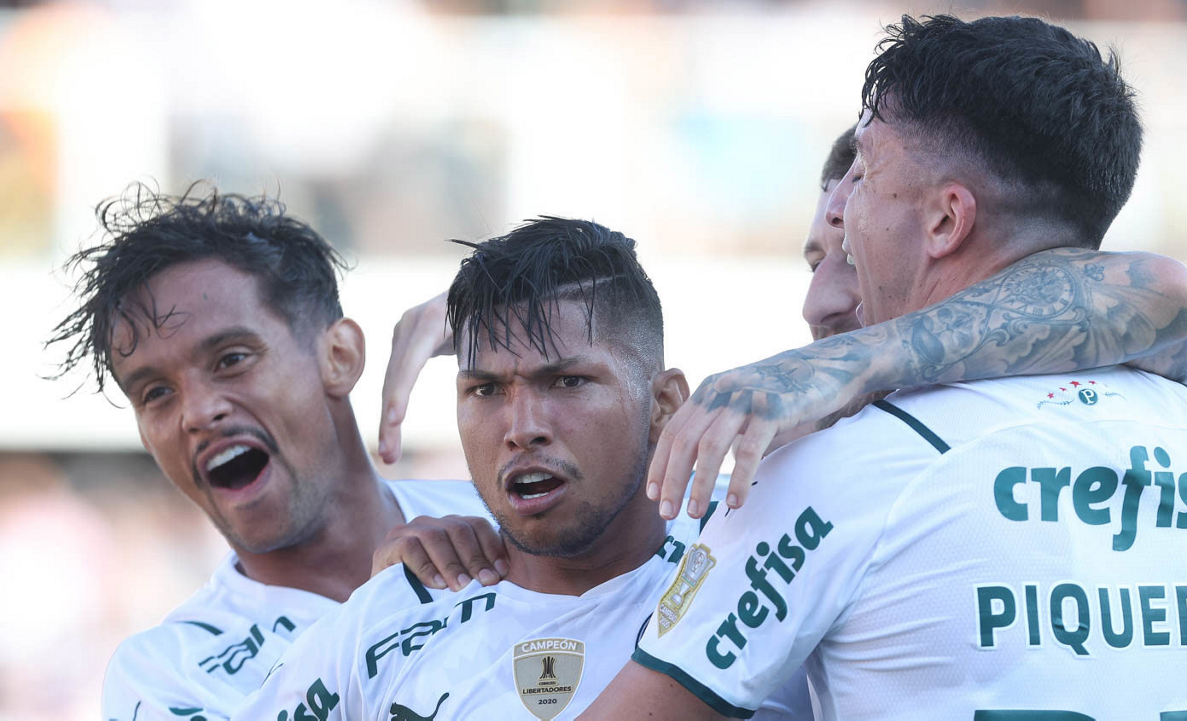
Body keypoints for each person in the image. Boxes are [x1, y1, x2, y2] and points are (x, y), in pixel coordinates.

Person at [585, 14, 1187, 719]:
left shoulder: (838, 471)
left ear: (947, 220)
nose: (843, 205)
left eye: (865, 173)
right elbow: (1164, 297)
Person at [233, 217, 811, 719]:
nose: (521, 427)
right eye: (485, 390)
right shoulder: (383, 621)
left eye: (567, 381)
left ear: (662, 405)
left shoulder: (769, 573)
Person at [46, 184, 490, 721]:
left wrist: (526, 326)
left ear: (340, 356)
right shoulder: (165, 676)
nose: (197, 413)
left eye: (231, 359)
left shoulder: (509, 529)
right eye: (156, 393)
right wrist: (379, 616)